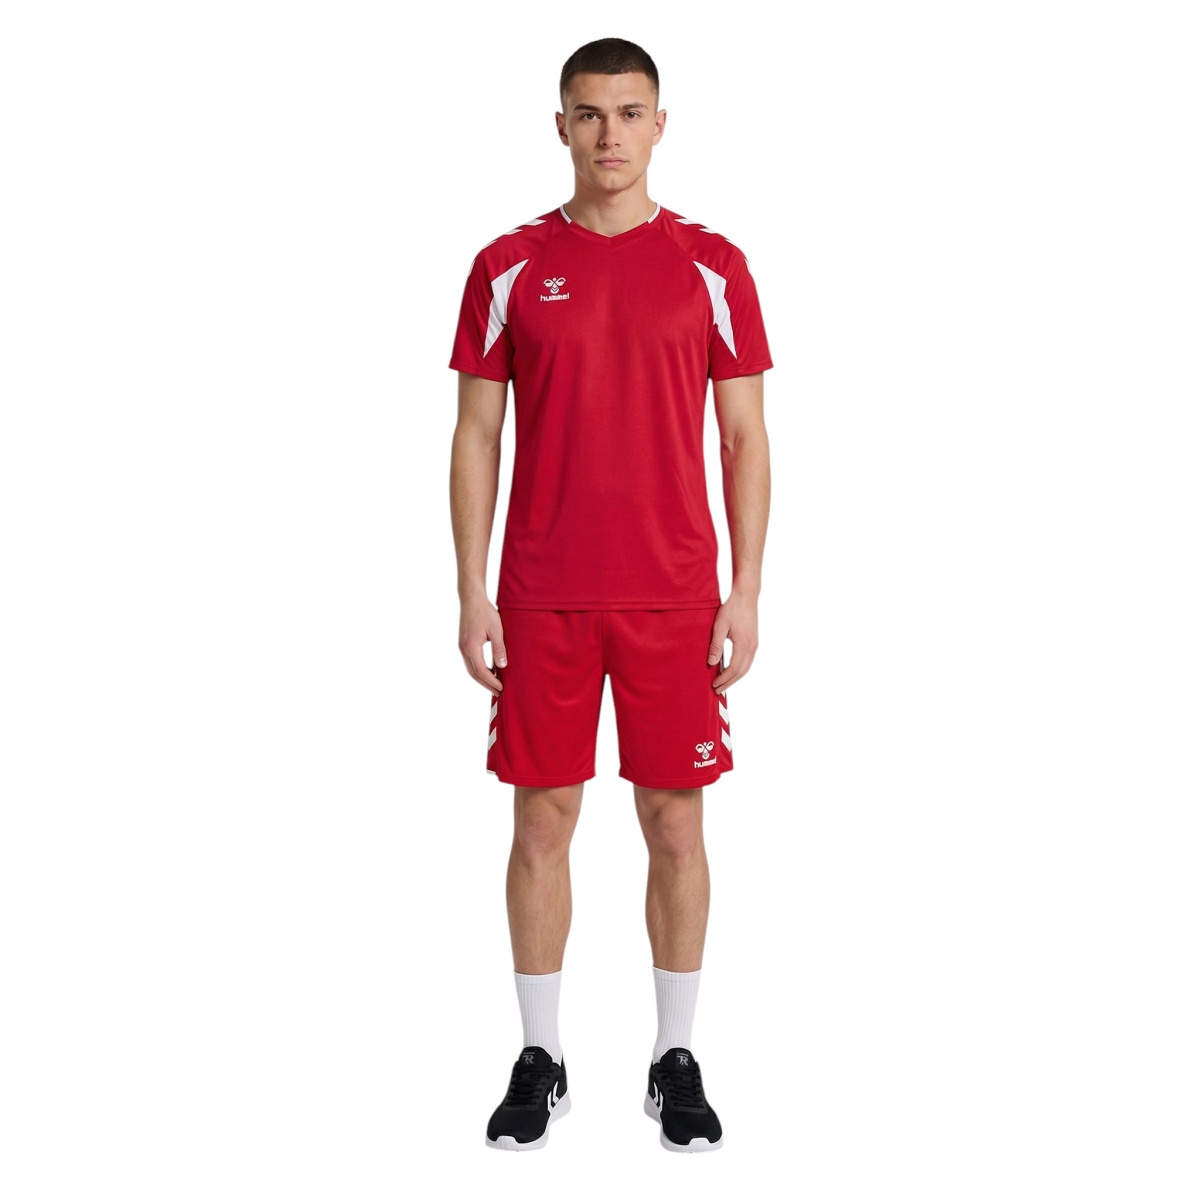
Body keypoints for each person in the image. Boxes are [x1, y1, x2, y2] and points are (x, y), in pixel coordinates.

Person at [448, 37, 772, 1153]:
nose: (610, 135)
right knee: (542, 819)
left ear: (661, 125)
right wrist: (472, 591)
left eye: (630, 113)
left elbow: (744, 437)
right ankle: (540, 1056)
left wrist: (746, 590)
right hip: (542, 595)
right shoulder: (506, 266)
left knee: (675, 821)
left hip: (673, 595)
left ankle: (674, 1057)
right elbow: (477, 435)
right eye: (589, 114)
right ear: (561, 126)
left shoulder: (713, 266)